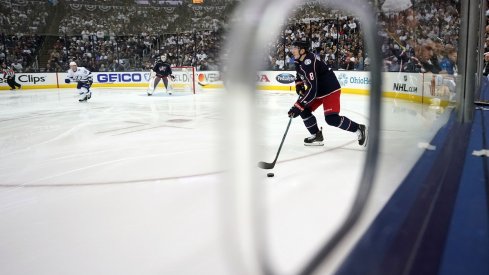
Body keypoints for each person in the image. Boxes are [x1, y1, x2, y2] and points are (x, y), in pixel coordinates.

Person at [287, 41, 367, 146]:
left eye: (295, 48)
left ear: (302, 50)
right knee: (304, 111)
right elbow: (299, 74)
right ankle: (317, 135)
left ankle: (358, 128)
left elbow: (312, 89)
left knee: (331, 119)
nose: (292, 50)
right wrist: (299, 84)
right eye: (292, 47)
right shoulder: (299, 60)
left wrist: (298, 105)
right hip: (319, 90)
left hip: (330, 89)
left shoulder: (309, 62)